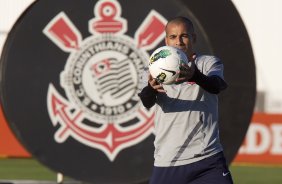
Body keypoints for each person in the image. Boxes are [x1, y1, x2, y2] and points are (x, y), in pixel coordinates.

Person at [138, 16, 233, 184]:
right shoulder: (154, 68)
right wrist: (151, 90)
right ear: (166, 40)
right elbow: (146, 101)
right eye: (173, 37)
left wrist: (195, 76)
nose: (179, 41)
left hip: (208, 159)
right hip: (169, 161)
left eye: (184, 36)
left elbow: (217, 86)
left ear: (193, 38)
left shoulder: (207, 63)